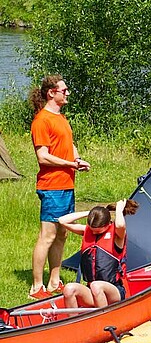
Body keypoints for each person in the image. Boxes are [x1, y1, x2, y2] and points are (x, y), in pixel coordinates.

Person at [29, 75, 90, 299]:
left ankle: (54, 282)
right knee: (47, 235)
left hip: (66, 184)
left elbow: (69, 144)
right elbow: (43, 156)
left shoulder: (61, 118)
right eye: (63, 90)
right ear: (51, 93)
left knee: (62, 234)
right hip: (51, 185)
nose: (67, 93)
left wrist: (78, 159)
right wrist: (69, 164)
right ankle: (37, 287)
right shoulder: (41, 120)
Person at [58, 199, 138, 308]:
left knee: (97, 286)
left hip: (114, 291)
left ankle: (104, 321)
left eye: (98, 231)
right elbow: (62, 220)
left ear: (107, 225)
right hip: (92, 290)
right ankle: (74, 322)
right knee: (69, 289)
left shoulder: (116, 235)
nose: (94, 233)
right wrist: (90, 212)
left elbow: (120, 225)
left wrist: (119, 209)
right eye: (92, 230)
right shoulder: (88, 231)